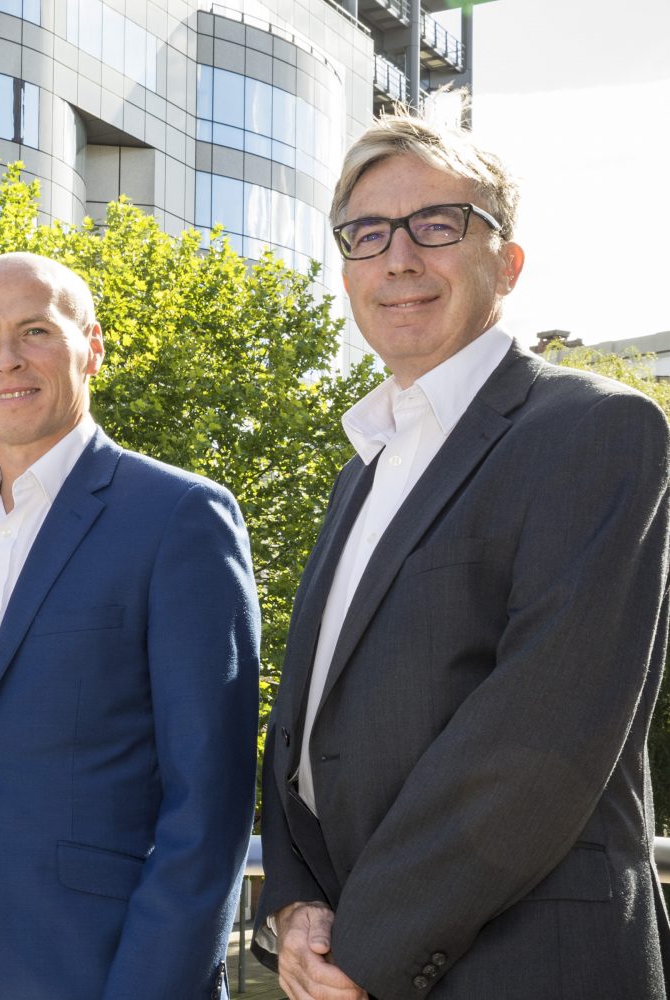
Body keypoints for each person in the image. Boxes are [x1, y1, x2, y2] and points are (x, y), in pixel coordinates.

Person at [254, 111, 670, 1000]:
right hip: (351, 959)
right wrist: (295, 908)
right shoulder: (360, 473)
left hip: (526, 963)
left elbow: (541, 733)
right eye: (367, 235)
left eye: (436, 224)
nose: (398, 258)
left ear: (507, 263)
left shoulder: (597, 429)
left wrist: (366, 945)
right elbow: (303, 724)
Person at [0, 252, 261, 999]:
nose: (6, 359)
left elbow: (211, 800)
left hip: (95, 965)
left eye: (34, 331)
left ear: (92, 345)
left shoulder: (179, 517)